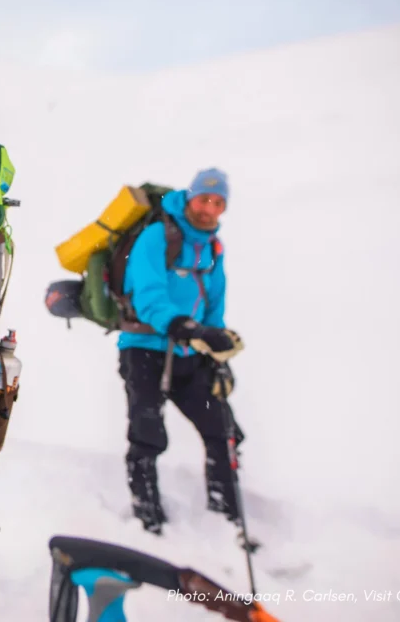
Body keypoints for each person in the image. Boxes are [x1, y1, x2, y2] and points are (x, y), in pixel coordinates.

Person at [116, 167, 245, 535]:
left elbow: (214, 304)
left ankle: (226, 519)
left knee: (223, 430)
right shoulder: (157, 236)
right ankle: (148, 519)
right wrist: (185, 326)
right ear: (190, 197)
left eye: (218, 202)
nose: (209, 209)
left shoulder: (213, 247)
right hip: (144, 349)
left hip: (190, 353)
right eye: (204, 199)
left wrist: (216, 348)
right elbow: (149, 297)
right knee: (147, 433)